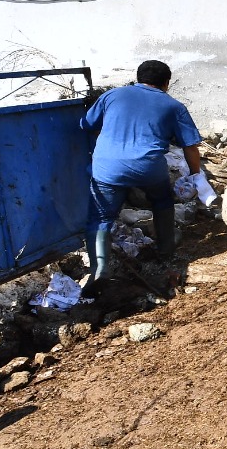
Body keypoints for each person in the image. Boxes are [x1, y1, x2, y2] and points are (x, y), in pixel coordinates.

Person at [80, 60, 212, 290]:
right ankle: (166, 249)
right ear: (166, 83)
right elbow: (190, 146)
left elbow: (86, 123)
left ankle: (99, 269)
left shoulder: (112, 96)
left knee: (100, 219)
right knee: (162, 202)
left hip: (107, 167)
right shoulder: (173, 106)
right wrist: (196, 175)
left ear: (138, 77)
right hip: (148, 167)